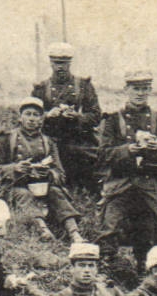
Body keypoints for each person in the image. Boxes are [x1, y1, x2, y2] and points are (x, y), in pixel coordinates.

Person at [96, 71, 157, 279]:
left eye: (144, 89)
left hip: (149, 184)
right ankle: (105, 273)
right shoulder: (113, 120)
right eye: (135, 89)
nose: (140, 93)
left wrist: (156, 147)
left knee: (149, 232)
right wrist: (129, 150)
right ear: (126, 90)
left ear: (150, 90)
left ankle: (146, 274)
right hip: (120, 183)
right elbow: (104, 154)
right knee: (109, 229)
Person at [0, 97, 83, 242]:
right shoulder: (6, 139)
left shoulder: (48, 142)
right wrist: (14, 168)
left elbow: (60, 174)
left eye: (36, 115)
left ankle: (74, 233)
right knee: (23, 194)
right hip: (15, 187)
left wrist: (49, 173)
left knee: (56, 192)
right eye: (28, 114)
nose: (31, 119)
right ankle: (42, 230)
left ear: (42, 119)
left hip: (43, 186)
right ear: (20, 117)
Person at [32, 42, 104, 196]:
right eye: (56, 63)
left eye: (64, 63)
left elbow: (96, 115)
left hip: (79, 139)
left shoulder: (83, 86)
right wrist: (47, 115)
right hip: (51, 139)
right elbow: (30, 117)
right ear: (50, 63)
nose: (60, 67)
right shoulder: (41, 88)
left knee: (98, 162)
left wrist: (78, 117)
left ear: (70, 63)